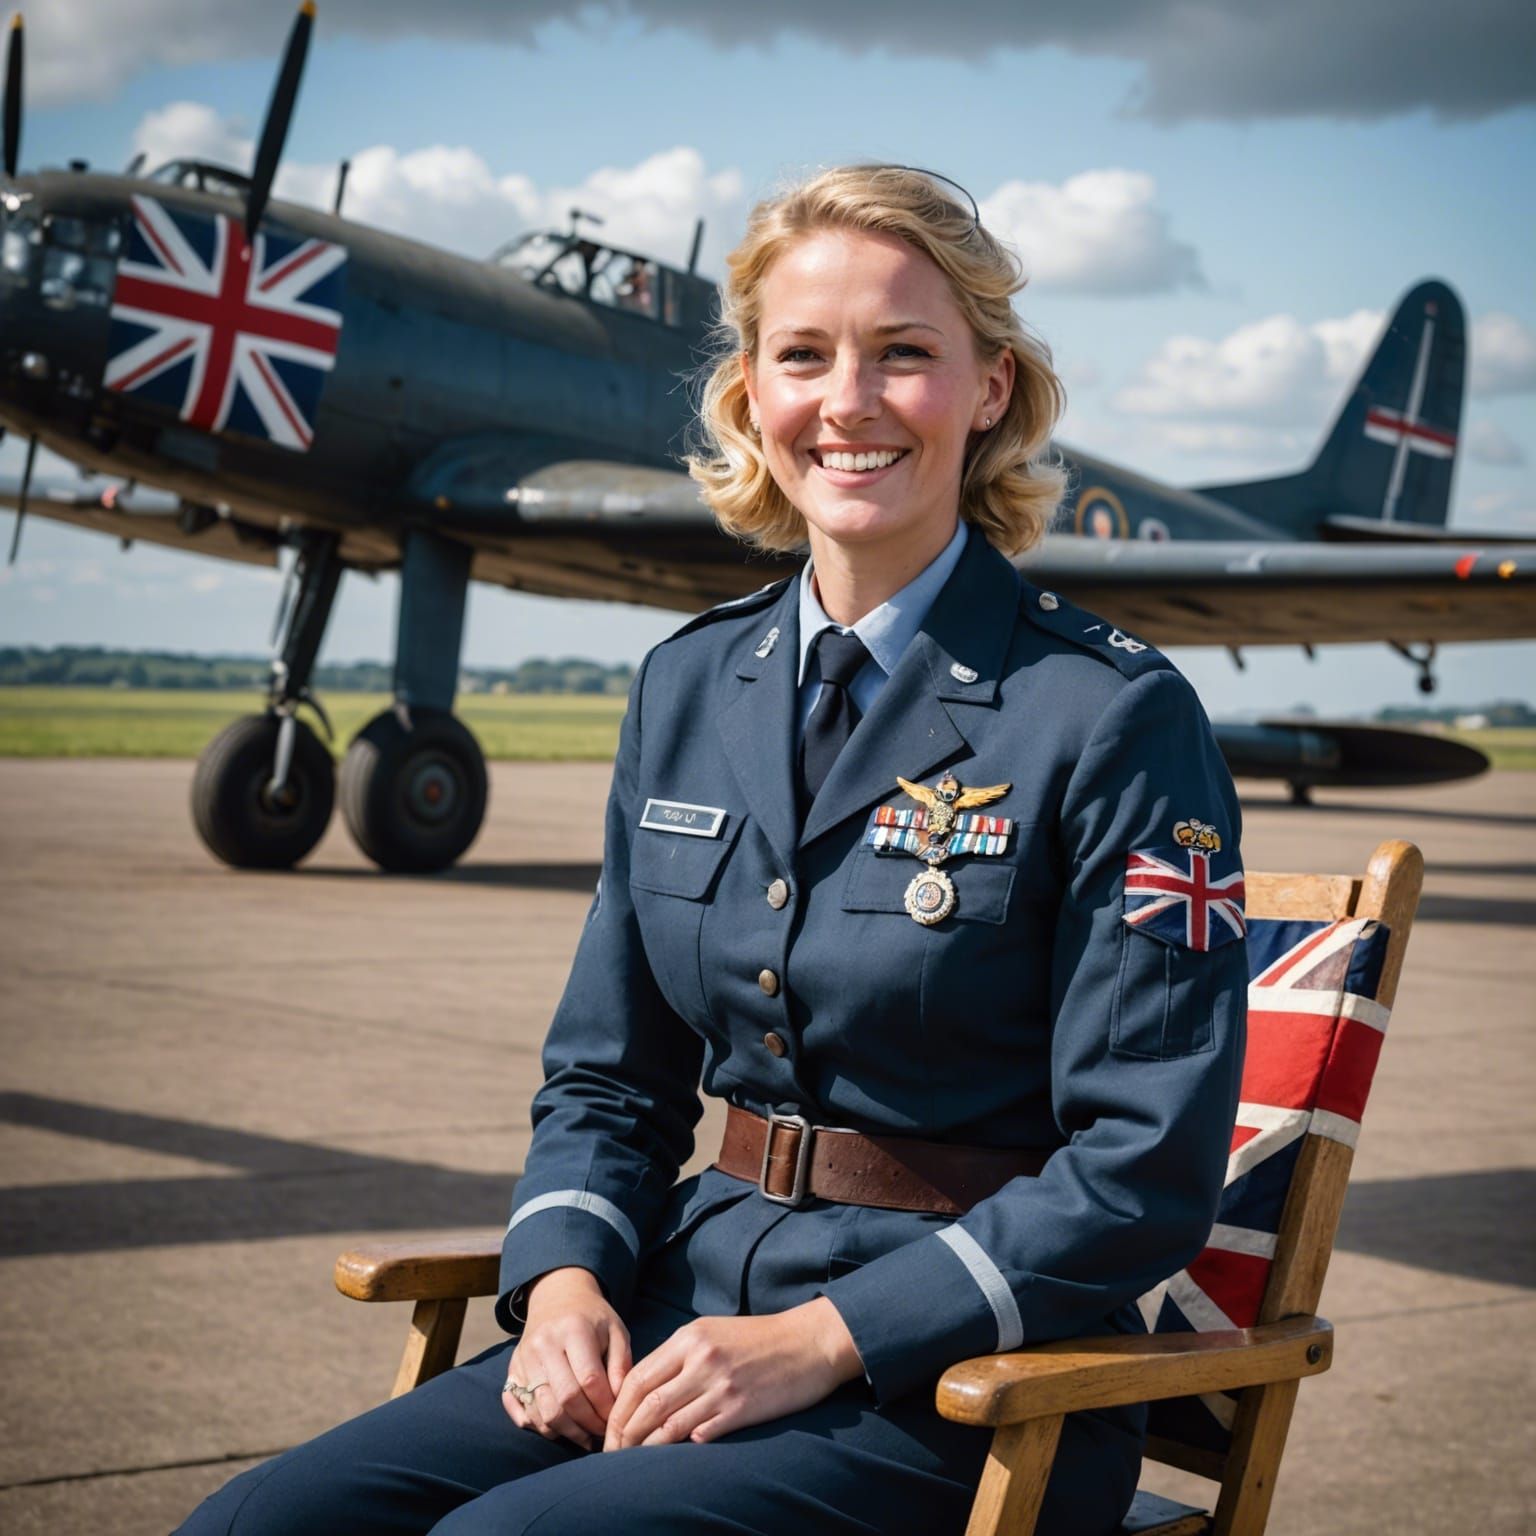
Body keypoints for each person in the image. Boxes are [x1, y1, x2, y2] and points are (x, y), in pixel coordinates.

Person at [176, 164, 1246, 1536]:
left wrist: (824, 1338)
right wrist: (561, 1281)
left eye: (905, 354)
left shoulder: (1110, 718)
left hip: (973, 1382)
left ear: (990, 391)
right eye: (804, 356)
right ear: (751, 390)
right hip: (681, 1306)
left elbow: (1144, 1177)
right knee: (251, 1530)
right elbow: (610, 1080)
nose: (848, 401)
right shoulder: (687, 687)